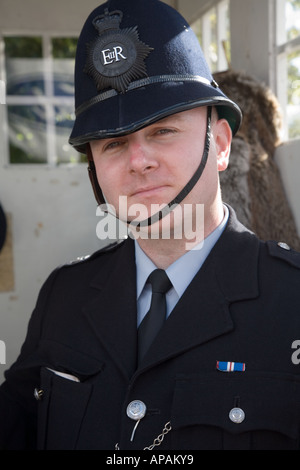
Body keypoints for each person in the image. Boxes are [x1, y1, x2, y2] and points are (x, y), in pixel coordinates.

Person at [1, 0, 300, 451]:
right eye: (114, 144)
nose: (138, 161)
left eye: (163, 131)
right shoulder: (63, 297)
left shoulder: (292, 299)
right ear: (94, 168)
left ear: (219, 145)